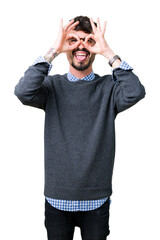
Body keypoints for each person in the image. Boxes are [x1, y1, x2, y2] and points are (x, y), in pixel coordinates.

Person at [14, 16, 146, 240]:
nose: (81, 46)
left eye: (88, 41)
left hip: (96, 201)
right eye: (74, 40)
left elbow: (136, 92)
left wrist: (108, 52)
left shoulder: (109, 89)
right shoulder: (52, 86)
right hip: (57, 199)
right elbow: (23, 92)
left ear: (95, 47)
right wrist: (54, 49)